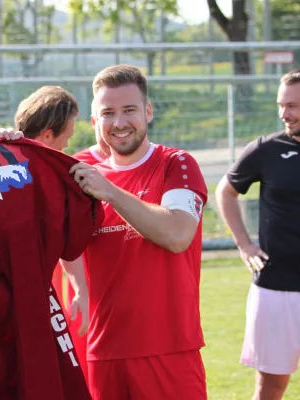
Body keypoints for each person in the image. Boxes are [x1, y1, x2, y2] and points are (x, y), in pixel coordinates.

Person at [69, 65, 208, 399]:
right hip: (103, 353)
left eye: (129, 110)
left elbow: (177, 234)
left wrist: (112, 193)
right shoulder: (81, 180)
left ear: (148, 111)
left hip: (169, 348)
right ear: (94, 122)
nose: (119, 122)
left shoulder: (176, 164)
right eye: (108, 113)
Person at [215, 69, 300, 400]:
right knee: (271, 386)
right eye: (281, 105)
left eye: (292, 105)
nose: (284, 113)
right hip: (276, 289)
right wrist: (244, 244)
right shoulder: (266, 150)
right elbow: (225, 191)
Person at [12, 85, 90, 380]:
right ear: (47, 135)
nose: (66, 149)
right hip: (20, 305)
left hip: (41, 303)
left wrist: (80, 288)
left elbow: (64, 240)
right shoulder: (30, 174)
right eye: (66, 140)